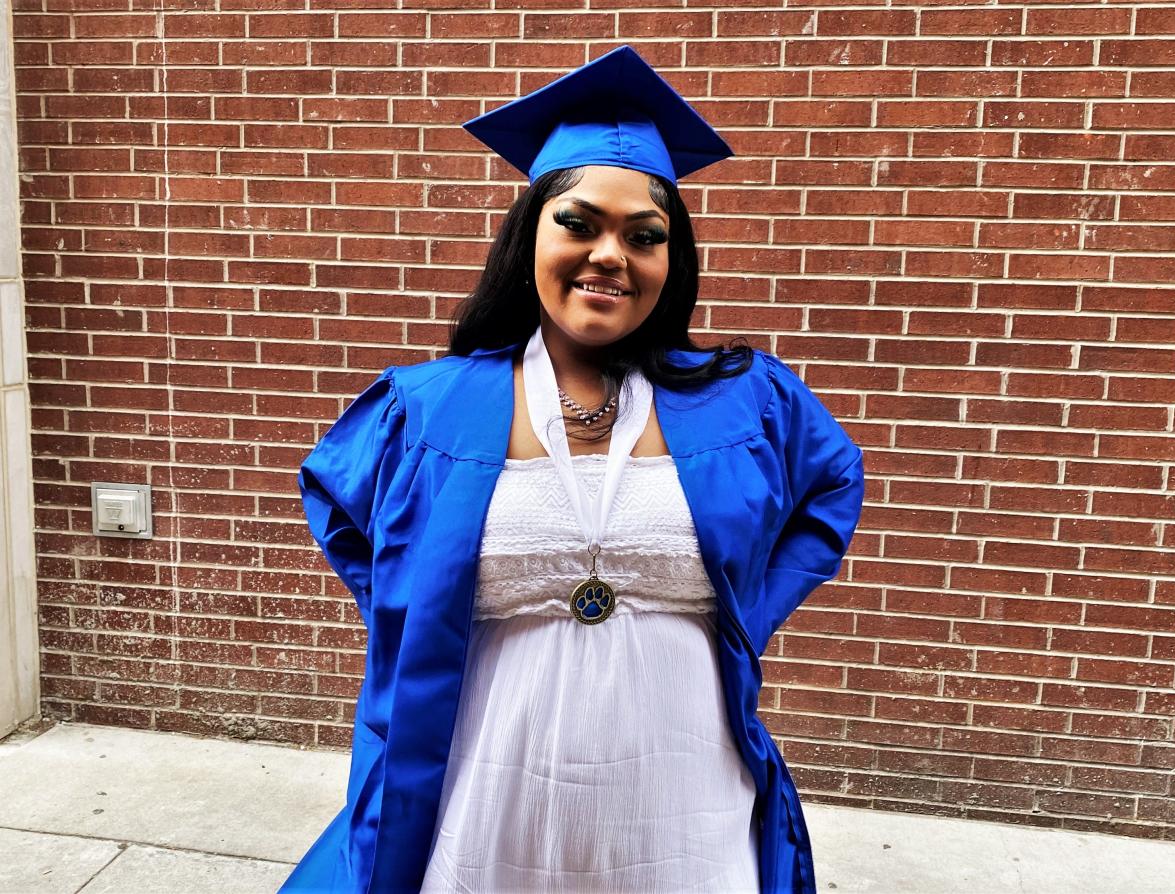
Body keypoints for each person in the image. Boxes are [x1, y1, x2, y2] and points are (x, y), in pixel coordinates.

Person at [280, 45, 865, 894]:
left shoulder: (750, 400)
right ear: (530, 237)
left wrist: (751, 608)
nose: (610, 255)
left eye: (644, 235)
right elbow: (337, 502)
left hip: (682, 799)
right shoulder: (428, 407)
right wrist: (417, 607)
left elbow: (832, 486)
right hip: (486, 791)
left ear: (673, 260)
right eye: (580, 223)